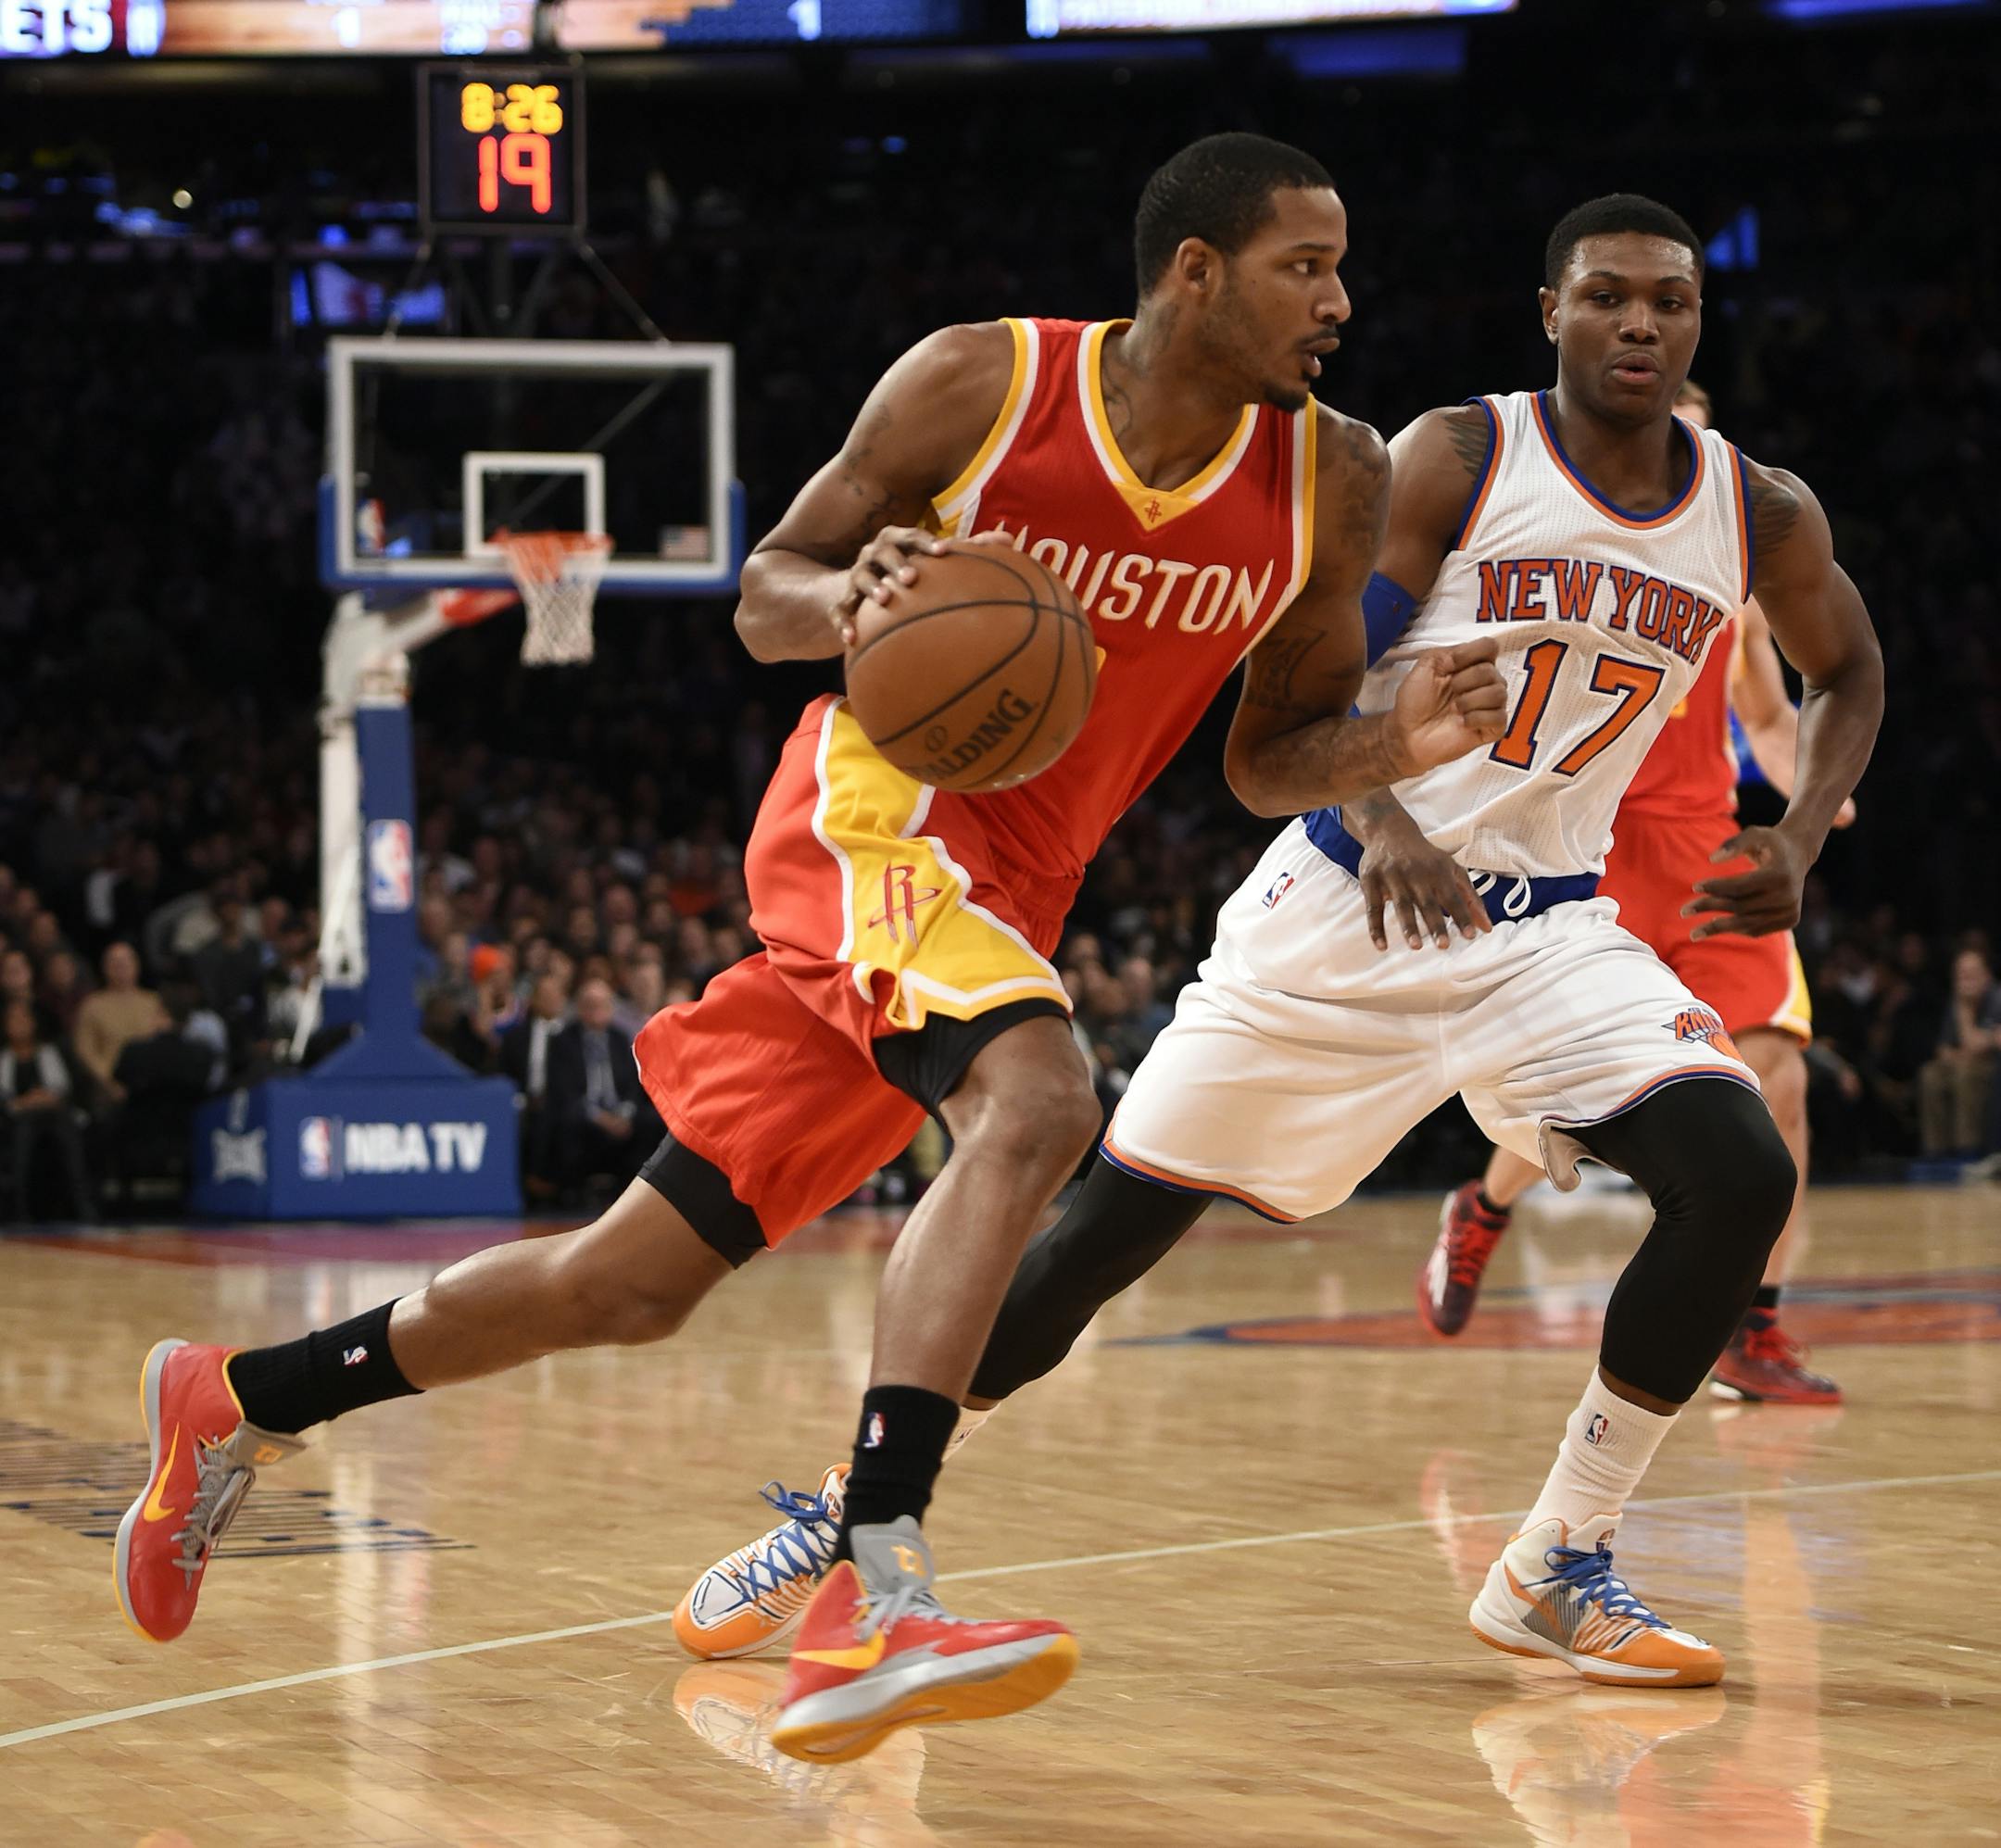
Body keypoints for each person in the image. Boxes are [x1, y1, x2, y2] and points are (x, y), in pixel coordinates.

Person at [111, 133, 1506, 1764]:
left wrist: (1390, 744)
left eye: (1342, 268)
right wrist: (854, 591)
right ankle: (879, 1590)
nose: (1340, 300)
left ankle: (241, 1398)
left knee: (628, 1285)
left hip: (1012, 894)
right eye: (1306, 265)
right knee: (1044, 1101)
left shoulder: (1329, 478)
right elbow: (763, 598)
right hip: (879, 820)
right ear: (1194, 271)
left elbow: (1270, 754)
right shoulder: (979, 387)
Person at [680, 194, 1883, 1693]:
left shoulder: (1755, 509)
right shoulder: (1459, 455)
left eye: (1671, 302)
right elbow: (1313, 703)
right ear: (1552, 312)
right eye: (1608, 298)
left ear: (1699, 321)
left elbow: (1851, 669)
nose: (1641, 323)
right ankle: (850, 1518)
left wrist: (1800, 824)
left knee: (1742, 1169)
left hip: (1551, 934)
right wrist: (1388, 819)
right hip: (1338, 919)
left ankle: (1556, 1561)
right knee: (1083, 1257)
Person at [1417, 382, 1856, 1405]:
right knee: (1566, 1111)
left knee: (1778, 1081)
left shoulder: (1735, 583)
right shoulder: (1556, 554)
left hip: (1706, 851)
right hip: (1584, 847)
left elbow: (1772, 718)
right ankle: (1483, 1208)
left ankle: (1754, 1329)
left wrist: (1808, 800)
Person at [1, 997, 94, 1222]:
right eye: (13, 1019)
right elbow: (5, 1097)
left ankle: (83, 1205)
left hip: (52, 1116)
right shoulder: (4, 1058)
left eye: (24, 1018)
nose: (19, 1023)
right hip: (14, 1120)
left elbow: (59, 1090)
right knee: (24, 1130)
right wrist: (26, 1102)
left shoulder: (49, 1052)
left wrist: (39, 1099)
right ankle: (20, 1208)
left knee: (64, 1127)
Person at [1917, 946, 1999, 1157]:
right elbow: (1943, 1049)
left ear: (1986, 975)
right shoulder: (1954, 1002)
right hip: (1963, 1063)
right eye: (1961, 974)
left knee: (1965, 1075)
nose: (1965, 980)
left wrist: (1964, 1008)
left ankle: (1967, 1150)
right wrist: (1972, 1048)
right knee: (1930, 1074)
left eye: (1972, 974)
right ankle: (1936, 1151)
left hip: (1992, 1067)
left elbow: (1979, 1043)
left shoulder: (1997, 999)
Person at [73, 941, 163, 1110]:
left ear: (137, 965)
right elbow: (85, 1051)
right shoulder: (92, 1005)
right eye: (114, 963)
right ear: (104, 968)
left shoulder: (154, 1002)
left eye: (125, 962)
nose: (120, 967)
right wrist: (109, 1083)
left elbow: (164, 1040)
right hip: (109, 1084)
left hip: (152, 1083)